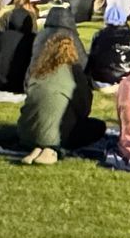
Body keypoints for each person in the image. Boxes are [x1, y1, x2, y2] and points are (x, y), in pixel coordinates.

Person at [15, 31, 105, 164]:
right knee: (97, 126)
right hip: (58, 134)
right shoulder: (74, 73)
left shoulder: (37, 72)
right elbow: (84, 108)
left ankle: (39, 147)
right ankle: (50, 149)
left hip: (25, 134)